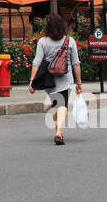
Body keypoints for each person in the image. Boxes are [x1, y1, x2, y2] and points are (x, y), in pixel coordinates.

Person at [28, 13, 82, 145]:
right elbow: (76, 63)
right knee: (63, 105)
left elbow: (36, 62)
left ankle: (57, 124)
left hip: (49, 79)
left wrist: (32, 81)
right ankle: (58, 132)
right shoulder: (70, 41)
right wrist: (79, 82)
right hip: (65, 77)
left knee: (58, 104)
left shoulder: (42, 42)